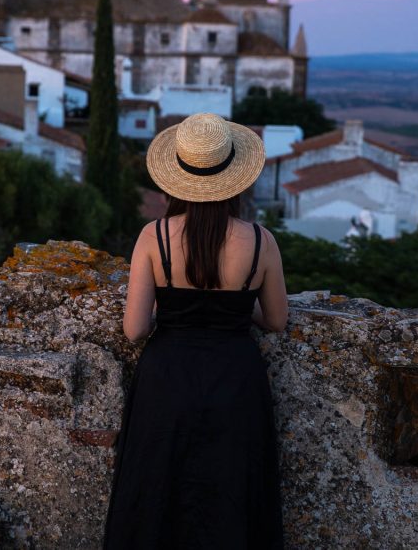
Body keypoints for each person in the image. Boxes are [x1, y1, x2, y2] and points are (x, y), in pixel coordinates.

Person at [103, 113, 288, 549]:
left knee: (157, 497)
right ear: (236, 178)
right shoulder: (261, 241)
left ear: (177, 177)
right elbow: (277, 320)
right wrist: (239, 309)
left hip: (166, 380)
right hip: (236, 380)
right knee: (230, 499)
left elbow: (134, 330)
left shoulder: (155, 236)